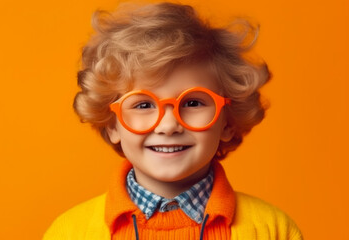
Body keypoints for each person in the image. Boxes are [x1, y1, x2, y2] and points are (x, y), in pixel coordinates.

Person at [43, 2, 303, 239]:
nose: (168, 126)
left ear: (227, 121)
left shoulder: (272, 229)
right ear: (112, 124)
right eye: (143, 105)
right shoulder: (70, 232)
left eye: (192, 103)